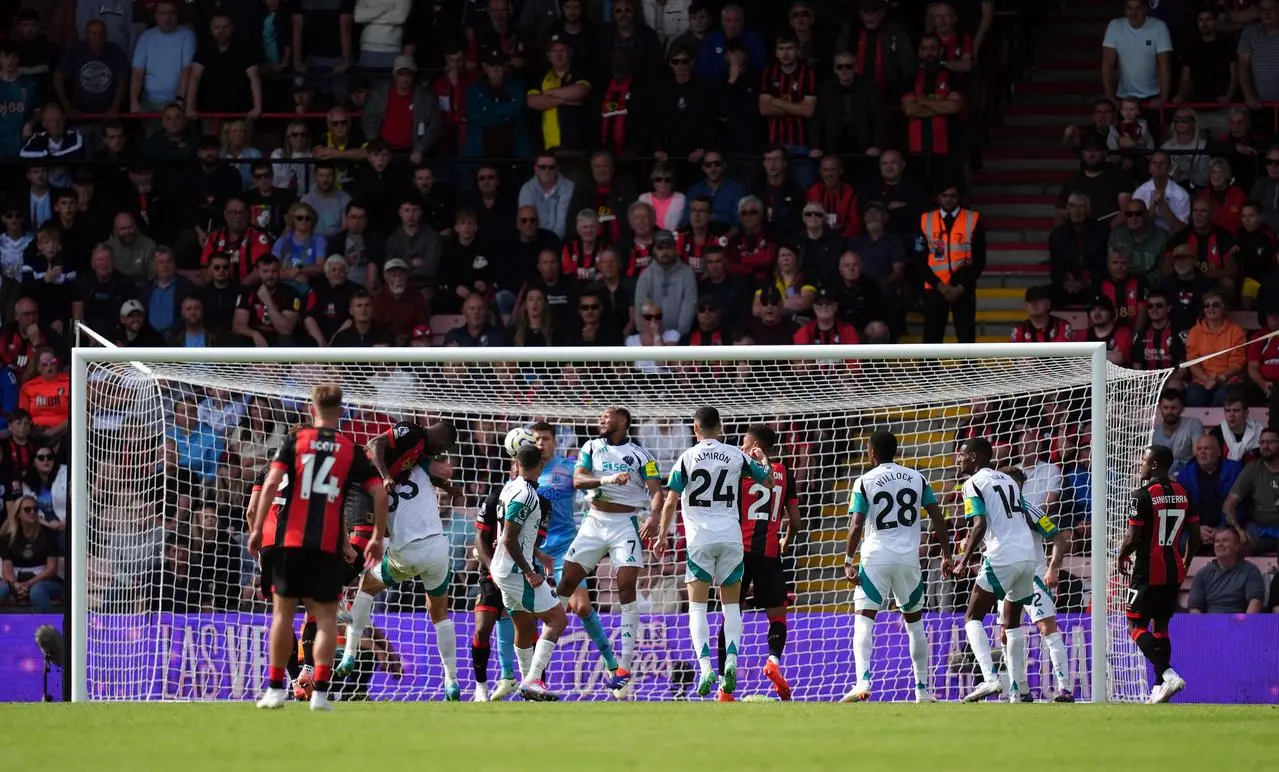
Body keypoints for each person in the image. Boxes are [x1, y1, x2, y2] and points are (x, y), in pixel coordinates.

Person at [248, 384, 388, 711]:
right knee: (325, 618)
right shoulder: (349, 448)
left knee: (282, 616)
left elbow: (270, 484)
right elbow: (379, 493)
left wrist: (256, 530)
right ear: (342, 410)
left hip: (289, 542)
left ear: (313, 408)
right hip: (326, 546)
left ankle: (275, 689)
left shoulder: (294, 443)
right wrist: (378, 537)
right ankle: (321, 695)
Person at [338, 417, 461, 700]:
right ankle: (451, 682)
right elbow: (383, 446)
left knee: (366, 588)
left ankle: (349, 653)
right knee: (440, 614)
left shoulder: (383, 481)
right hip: (439, 549)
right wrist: (446, 486)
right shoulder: (416, 466)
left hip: (406, 552)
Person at [654, 406, 772, 699]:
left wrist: (662, 536)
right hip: (731, 537)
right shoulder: (735, 454)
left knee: (697, 607)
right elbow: (767, 482)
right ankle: (730, 663)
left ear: (695, 429)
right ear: (720, 427)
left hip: (699, 539)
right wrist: (762, 459)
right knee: (731, 606)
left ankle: (707, 668)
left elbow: (670, 503)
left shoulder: (687, 457)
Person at [557, 407, 664, 698]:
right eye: (600, 416)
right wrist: (606, 480)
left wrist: (654, 517)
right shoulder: (591, 447)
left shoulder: (642, 456)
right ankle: (535, 662)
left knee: (626, 585)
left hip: (626, 523)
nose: (601, 420)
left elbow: (656, 490)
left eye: (607, 416)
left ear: (623, 421)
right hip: (593, 522)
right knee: (566, 584)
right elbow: (578, 481)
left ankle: (624, 672)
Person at [841, 429, 950, 704]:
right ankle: (922, 690)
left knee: (864, 619)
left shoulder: (864, 480)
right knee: (915, 624)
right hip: (908, 559)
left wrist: (847, 560)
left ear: (872, 452)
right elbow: (936, 515)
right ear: (896, 452)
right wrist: (947, 554)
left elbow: (856, 524)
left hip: (875, 556)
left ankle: (863, 681)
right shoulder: (917, 478)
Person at [528, 422, 621, 685]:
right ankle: (528, 678)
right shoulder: (524, 472)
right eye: (536, 439)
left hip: (564, 548)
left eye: (545, 439)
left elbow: (592, 488)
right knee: (528, 615)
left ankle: (613, 668)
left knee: (581, 607)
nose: (540, 444)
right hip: (532, 551)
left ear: (554, 442)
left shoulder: (568, 468)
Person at [951, 437, 1039, 703]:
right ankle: (1021, 690)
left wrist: (963, 561)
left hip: (1002, 554)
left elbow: (978, 524)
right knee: (1012, 624)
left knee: (972, 616)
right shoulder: (1008, 480)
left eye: (963, 455)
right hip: (1027, 555)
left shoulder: (972, 483)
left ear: (975, 457)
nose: (959, 460)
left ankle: (990, 679)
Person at [1118, 445, 1198, 704]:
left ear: (1154, 465)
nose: (1139, 464)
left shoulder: (1141, 495)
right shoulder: (1184, 493)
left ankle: (1167, 673)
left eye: (1143, 460)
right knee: (1161, 626)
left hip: (1146, 573)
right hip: (1173, 571)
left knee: (1135, 626)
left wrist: (1121, 555)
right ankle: (1158, 686)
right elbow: (1195, 537)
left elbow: (1133, 537)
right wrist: (1185, 562)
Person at [492, 444, 570, 701]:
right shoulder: (526, 494)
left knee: (524, 627)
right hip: (516, 570)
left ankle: (528, 687)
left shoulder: (509, 486)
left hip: (503, 568)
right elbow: (508, 539)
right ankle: (534, 679)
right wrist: (529, 572)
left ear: (516, 465)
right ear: (541, 466)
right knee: (558, 619)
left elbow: (507, 535)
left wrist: (534, 556)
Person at [471, 462, 521, 702]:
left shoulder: (536, 502)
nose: (518, 471)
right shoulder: (494, 497)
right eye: (516, 466)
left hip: (520, 574)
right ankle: (480, 687)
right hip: (491, 575)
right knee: (482, 630)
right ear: (512, 469)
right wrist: (493, 567)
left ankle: (531, 682)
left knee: (528, 631)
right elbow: (480, 538)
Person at [916, 182, 986, 344]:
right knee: (931, 338)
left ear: (959, 197)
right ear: (938, 197)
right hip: (934, 287)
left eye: (953, 196)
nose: (948, 200)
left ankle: (969, 371)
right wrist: (939, 285)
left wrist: (961, 286)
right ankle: (928, 370)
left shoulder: (973, 219)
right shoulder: (925, 220)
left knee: (966, 338)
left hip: (963, 287)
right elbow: (919, 258)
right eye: (944, 196)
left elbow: (980, 259)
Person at [1223, 426, 1279, 555]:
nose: (1265, 446)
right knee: (1238, 544)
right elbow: (1228, 505)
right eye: (1262, 442)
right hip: (1258, 528)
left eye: (1270, 442)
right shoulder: (1252, 468)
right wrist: (1238, 530)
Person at [1187, 528, 1265, 613]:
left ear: (1237, 546)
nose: (1220, 544)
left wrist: (1245, 624)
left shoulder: (1251, 571)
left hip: (1240, 622)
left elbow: (1255, 601)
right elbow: (1195, 608)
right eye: (1217, 541)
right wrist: (1202, 626)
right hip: (1210, 623)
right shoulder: (1202, 574)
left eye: (1225, 540)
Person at [1152, 388, 1203, 474]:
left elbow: (1197, 457)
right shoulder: (1154, 433)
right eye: (1166, 407)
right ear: (1160, 408)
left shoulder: (1193, 424)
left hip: (1189, 475)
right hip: (1165, 478)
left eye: (1174, 408)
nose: (1169, 412)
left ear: (1182, 408)